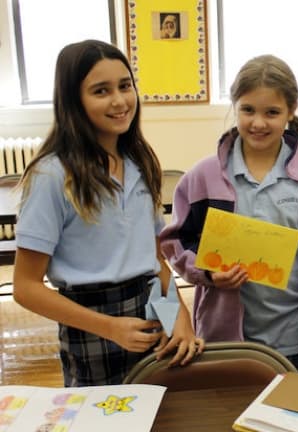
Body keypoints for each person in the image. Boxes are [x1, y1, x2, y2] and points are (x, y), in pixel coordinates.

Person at [12, 40, 204, 387]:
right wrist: (109, 327)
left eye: (125, 86)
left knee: (161, 414)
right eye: (101, 91)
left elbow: (155, 262)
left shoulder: (140, 163)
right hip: (91, 330)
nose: (119, 101)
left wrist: (178, 317)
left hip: (149, 321)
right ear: (74, 100)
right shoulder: (52, 175)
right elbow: (25, 287)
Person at [160, 54, 298, 376]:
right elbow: (176, 241)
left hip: (294, 342)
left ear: (291, 112)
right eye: (248, 110)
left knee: (288, 422)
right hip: (224, 341)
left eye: (272, 112)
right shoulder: (203, 177)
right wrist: (207, 273)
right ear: (234, 106)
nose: (258, 122)